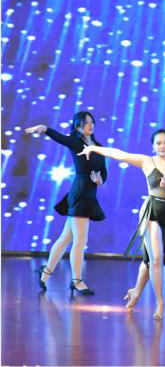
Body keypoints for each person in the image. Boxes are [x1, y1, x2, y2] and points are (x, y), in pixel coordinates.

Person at [78, 129, 165, 319]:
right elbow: (119, 154)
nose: (162, 146)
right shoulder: (146, 161)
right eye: (158, 143)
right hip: (151, 212)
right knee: (156, 259)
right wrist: (93, 148)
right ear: (153, 145)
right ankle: (160, 303)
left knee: (148, 260)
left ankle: (135, 292)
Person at [26, 112, 107, 296]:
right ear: (77, 126)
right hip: (80, 194)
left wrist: (100, 181)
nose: (90, 125)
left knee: (65, 239)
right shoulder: (76, 142)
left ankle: (45, 274)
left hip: (90, 194)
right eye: (86, 123)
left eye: (92, 122)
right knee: (80, 241)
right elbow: (60, 138)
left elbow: (104, 172)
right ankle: (77, 281)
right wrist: (45, 129)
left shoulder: (99, 147)